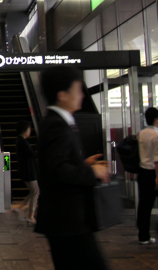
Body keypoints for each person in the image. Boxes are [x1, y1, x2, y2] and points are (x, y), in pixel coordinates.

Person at [35, 67, 111, 270]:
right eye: (77, 90)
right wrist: (92, 172)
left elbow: (57, 164)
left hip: (67, 219)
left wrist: (83, 164)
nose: (82, 95)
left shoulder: (61, 122)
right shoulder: (56, 125)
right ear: (62, 95)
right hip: (67, 219)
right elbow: (56, 169)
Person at [136, 107, 158, 244]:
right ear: (156, 119)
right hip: (154, 173)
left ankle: (143, 236)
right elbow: (157, 159)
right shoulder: (156, 135)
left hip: (142, 172)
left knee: (144, 205)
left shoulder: (141, 134)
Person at [13, 120, 39, 225]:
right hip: (28, 171)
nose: (30, 131)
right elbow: (31, 154)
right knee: (36, 192)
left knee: (33, 192)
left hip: (26, 170)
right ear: (25, 130)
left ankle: (20, 207)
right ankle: (30, 216)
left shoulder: (20, 141)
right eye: (29, 129)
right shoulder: (23, 142)